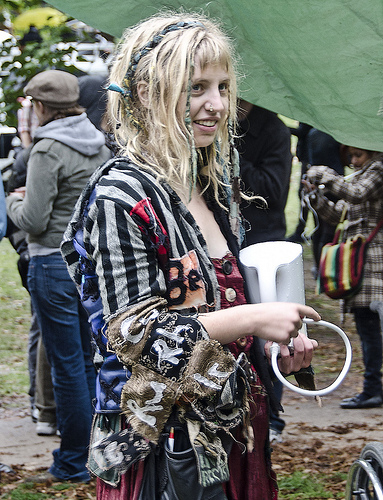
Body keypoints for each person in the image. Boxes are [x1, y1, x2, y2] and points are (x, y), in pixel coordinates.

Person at [61, 13, 320, 499]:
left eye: (223, 87)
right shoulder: (122, 196)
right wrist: (254, 317)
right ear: (146, 93)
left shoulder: (208, 185)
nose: (217, 104)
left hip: (231, 425)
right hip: (164, 444)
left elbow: (214, 313)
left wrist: (273, 342)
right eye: (196, 87)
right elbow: (136, 338)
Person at [6, 69, 111, 482]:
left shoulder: (47, 149)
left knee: (66, 366)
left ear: (41, 105)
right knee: (88, 362)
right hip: (89, 264)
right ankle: (94, 454)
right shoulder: (98, 143)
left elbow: (33, 219)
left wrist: (12, 203)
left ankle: (71, 463)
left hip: (51, 262)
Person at [305, 146, 383, 409]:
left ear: (372, 152)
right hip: (361, 269)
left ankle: (373, 389)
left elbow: (357, 195)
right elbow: (339, 214)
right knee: (367, 329)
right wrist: (315, 196)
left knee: (371, 331)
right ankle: (373, 389)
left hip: (374, 267)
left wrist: (326, 174)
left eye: (358, 155)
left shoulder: (379, 171)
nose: (352, 161)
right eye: (349, 156)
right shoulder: (361, 175)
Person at [237, 99, 293, 442]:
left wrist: (230, 153)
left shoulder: (272, 130)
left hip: (264, 244)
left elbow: (272, 190)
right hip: (229, 243)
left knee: (270, 334)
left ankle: (272, 418)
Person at [237, 99, 292, 245]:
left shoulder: (274, 131)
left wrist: (232, 160)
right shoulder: (222, 125)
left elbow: (271, 189)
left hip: (262, 237)